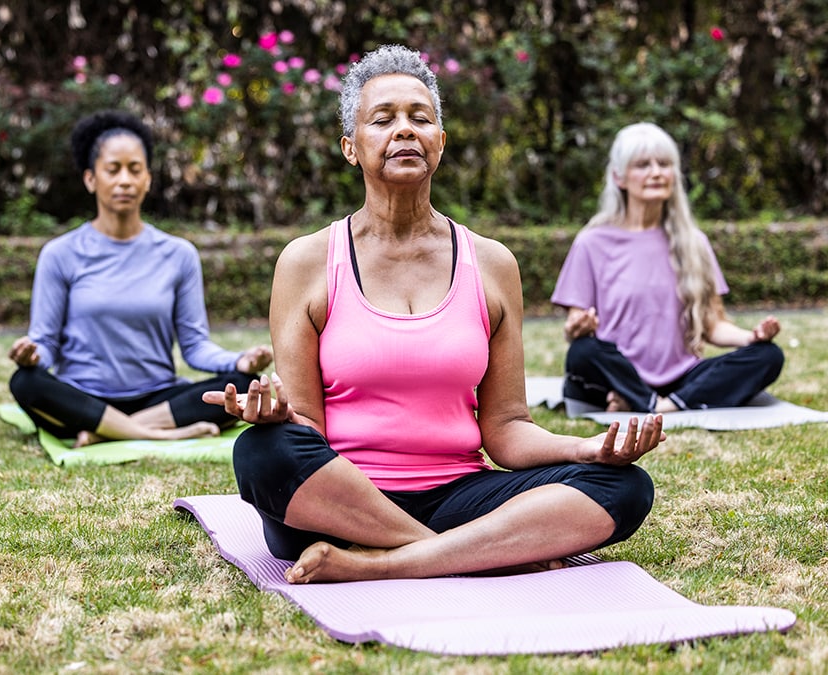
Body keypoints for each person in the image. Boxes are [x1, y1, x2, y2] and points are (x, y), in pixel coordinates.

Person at [202, 45, 663, 584]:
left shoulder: (492, 263)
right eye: (383, 119)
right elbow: (307, 428)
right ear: (351, 148)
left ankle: (385, 564)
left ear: (439, 142)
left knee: (626, 486)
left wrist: (586, 448)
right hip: (339, 500)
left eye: (420, 118)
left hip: (459, 495)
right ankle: (471, 553)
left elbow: (507, 429)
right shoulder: (306, 261)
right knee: (261, 452)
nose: (404, 130)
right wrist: (276, 416)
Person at [9, 110, 272, 447]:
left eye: (135, 170)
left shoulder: (179, 254)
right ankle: (158, 433)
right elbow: (44, 343)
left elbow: (194, 346)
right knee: (25, 382)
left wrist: (238, 360)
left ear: (147, 179)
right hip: (83, 399)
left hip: (158, 398)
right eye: (112, 170)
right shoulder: (60, 254)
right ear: (91, 179)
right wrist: (31, 357)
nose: (124, 180)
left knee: (239, 383)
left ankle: (109, 433)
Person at [551, 122, 784, 414]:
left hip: (679, 378)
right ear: (619, 178)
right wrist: (577, 327)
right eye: (643, 165)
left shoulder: (694, 243)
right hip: (618, 375)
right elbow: (577, 322)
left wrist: (752, 337)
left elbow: (713, 325)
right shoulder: (591, 242)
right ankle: (652, 400)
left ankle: (657, 405)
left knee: (768, 356)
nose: (656, 172)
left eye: (664, 164)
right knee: (583, 352)